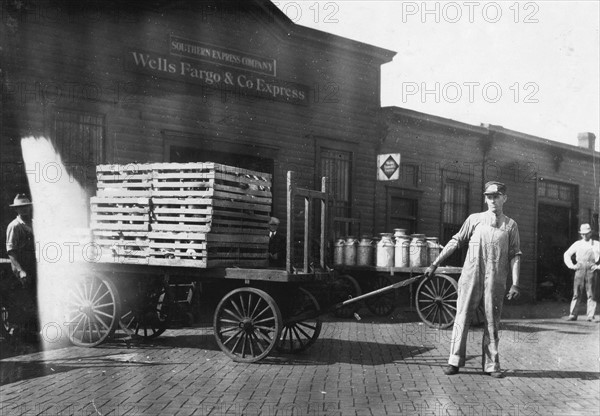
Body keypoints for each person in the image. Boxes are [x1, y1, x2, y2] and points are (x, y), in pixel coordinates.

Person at [425, 181, 521, 378]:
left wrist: (515, 283)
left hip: (496, 280)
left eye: (497, 196)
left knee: (492, 321)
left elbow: (515, 255)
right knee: (461, 317)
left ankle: (492, 366)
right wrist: (435, 263)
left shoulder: (511, 225)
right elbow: (456, 241)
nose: (493, 200)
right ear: (485, 199)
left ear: (505, 198)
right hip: (471, 276)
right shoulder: (474, 219)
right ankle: (454, 361)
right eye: (489, 196)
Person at [563, 223, 599, 322]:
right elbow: (567, 254)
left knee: (591, 293)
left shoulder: (596, 244)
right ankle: (573, 314)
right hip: (580, 269)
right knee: (576, 293)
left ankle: (590, 316)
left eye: (586, 233)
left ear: (590, 233)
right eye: (582, 234)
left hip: (591, 269)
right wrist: (572, 265)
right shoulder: (577, 244)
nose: (584, 236)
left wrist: (598, 266)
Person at [6, 194, 37, 292]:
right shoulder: (14, 226)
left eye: (25, 206)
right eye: (20, 207)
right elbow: (11, 251)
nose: (23, 209)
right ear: (16, 209)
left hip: (34, 265)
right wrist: (20, 271)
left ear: (29, 207)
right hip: (22, 266)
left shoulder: (35, 223)